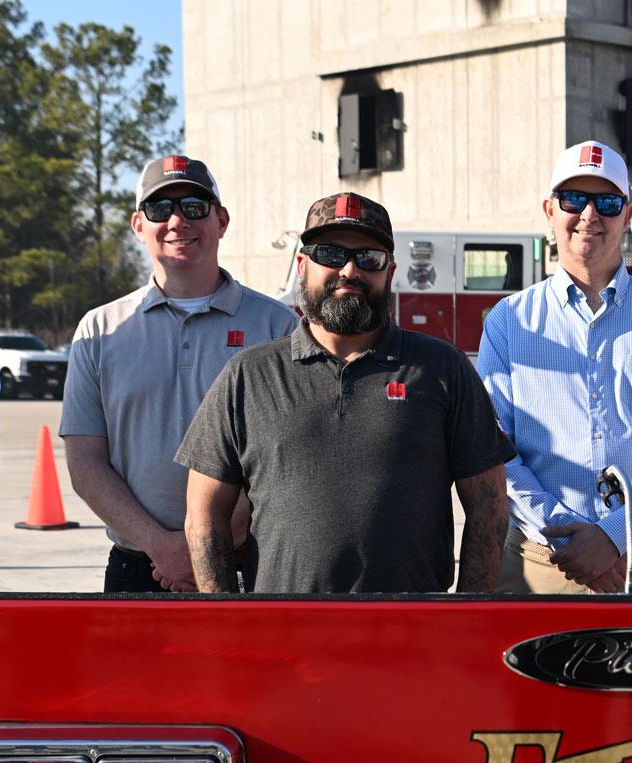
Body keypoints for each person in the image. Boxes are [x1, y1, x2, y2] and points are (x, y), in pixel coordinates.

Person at [177, 192, 512, 594]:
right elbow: (203, 515)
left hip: (413, 634)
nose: (349, 270)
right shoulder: (247, 376)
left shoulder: (443, 369)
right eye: (330, 254)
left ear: (389, 272)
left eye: (368, 258)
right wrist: (226, 623)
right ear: (302, 266)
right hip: (282, 636)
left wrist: (467, 619)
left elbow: (489, 508)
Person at [476, 140, 632, 594]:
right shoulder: (510, 322)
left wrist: (613, 534)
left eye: (606, 202)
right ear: (549, 210)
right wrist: (572, 537)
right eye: (573, 199)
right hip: (539, 567)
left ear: (627, 215)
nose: (589, 215)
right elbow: (496, 450)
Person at [61, 155, 296, 593]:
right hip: (140, 566)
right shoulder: (99, 330)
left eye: (194, 207)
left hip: (247, 564)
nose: (177, 221)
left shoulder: (278, 326)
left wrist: (207, 546)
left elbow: (287, 460)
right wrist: (161, 547)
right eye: (159, 209)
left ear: (221, 220)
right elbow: (85, 462)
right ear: (138, 225)